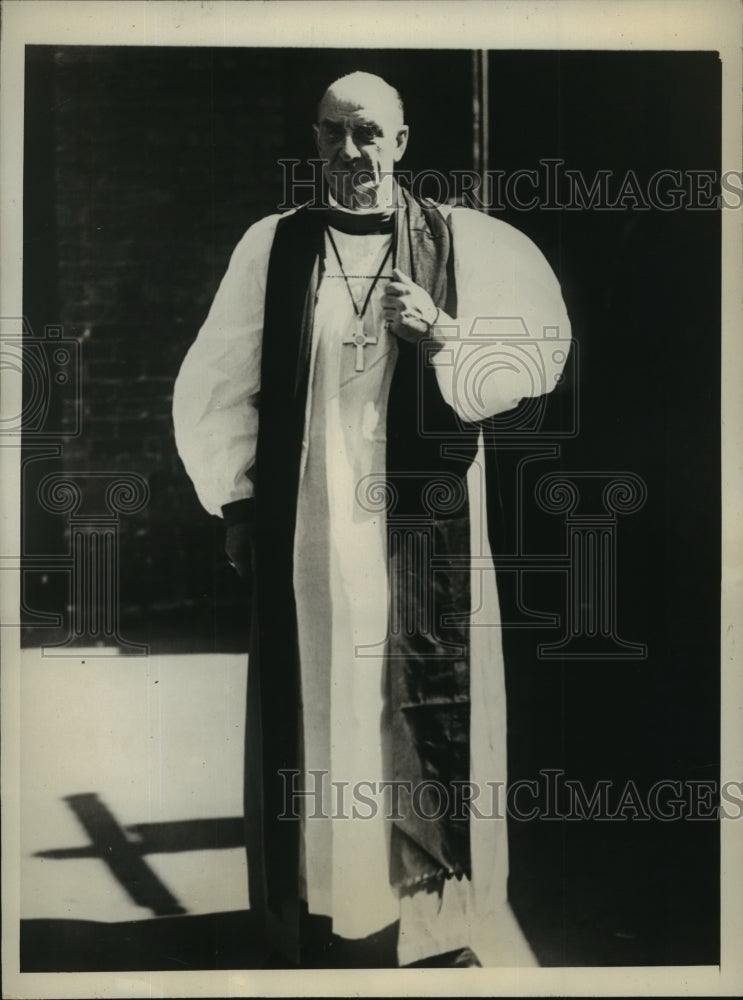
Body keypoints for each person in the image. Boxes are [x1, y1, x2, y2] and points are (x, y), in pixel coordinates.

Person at [173, 70, 571, 968]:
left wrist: (442, 332)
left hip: (423, 528)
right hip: (316, 525)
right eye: (330, 133)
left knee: (418, 705)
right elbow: (216, 380)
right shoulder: (274, 245)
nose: (347, 152)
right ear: (314, 140)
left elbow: (538, 361)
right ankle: (332, 907)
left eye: (365, 133)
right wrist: (237, 501)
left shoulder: (467, 241)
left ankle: (435, 923)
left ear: (400, 142)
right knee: (328, 703)